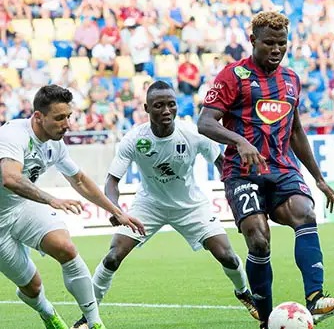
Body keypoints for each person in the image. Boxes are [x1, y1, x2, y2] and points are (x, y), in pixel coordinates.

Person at [197, 11, 334, 329]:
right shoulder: (233, 75)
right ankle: (267, 318)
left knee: (305, 211)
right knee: (258, 239)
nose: (276, 49)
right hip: (241, 172)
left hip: (282, 168)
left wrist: (320, 179)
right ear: (253, 40)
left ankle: (315, 298)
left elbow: (296, 132)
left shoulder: (291, 80)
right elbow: (205, 122)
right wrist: (239, 141)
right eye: (269, 42)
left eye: (282, 43)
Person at [70, 81, 258, 329]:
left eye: (171, 104)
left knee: (228, 257)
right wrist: (115, 209)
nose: (166, 110)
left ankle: (243, 292)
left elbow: (222, 164)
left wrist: (235, 196)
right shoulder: (134, 139)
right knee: (113, 257)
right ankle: (88, 317)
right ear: (147, 108)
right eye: (159, 106)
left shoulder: (193, 133)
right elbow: (112, 181)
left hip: (191, 206)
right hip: (149, 205)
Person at [0, 85, 145, 329]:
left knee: (65, 247)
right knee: (32, 287)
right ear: (38, 117)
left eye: (69, 116)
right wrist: (51, 200)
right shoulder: (13, 135)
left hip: (23, 207)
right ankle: (48, 314)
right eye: (59, 118)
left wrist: (117, 212)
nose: (67, 124)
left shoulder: (55, 143)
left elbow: (79, 179)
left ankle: (95, 322)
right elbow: (10, 178)